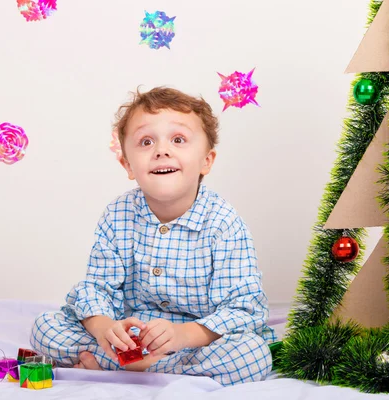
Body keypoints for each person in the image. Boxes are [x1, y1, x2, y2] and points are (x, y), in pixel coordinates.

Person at [30, 86, 276, 385]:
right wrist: (106, 329)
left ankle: (133, 369)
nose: (162, 150)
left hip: (196, 339)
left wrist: (183, 335)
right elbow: (96, 288)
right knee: (45, 328)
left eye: (178, 139)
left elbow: (243, 307)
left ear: (206, 161)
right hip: (129, 336)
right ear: (128, 165)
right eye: (146, 142)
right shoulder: (118, 213)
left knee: (252, 355)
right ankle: (133, 364)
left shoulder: (223, 224)